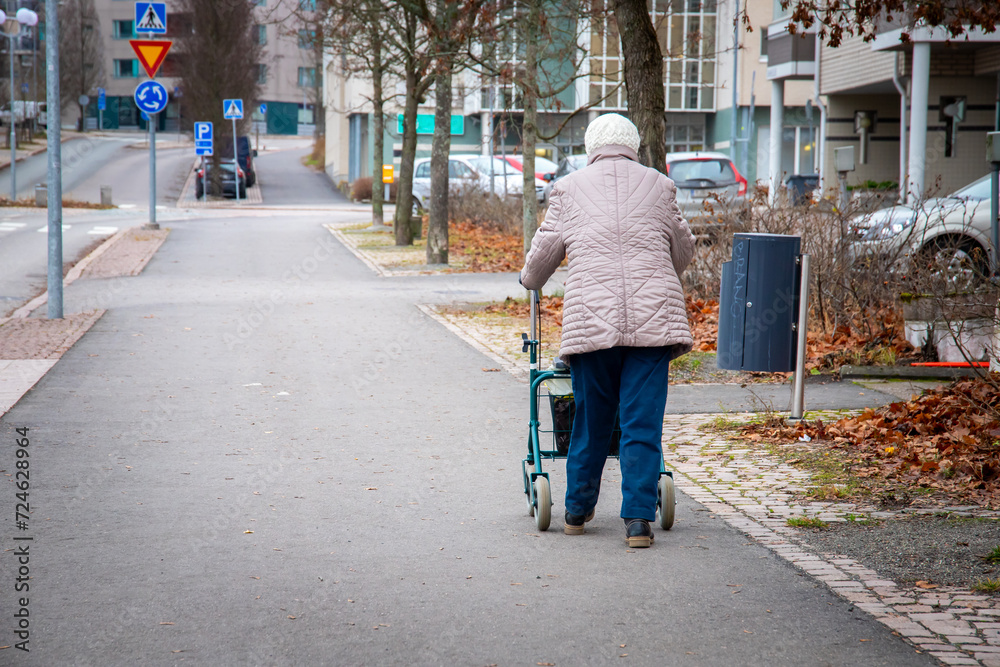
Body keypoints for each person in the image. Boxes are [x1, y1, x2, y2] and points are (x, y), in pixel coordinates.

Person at [519, 113, 695, 548]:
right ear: (633, 144)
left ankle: (577, 511)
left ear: (591, 146)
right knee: (641, 422)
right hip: (654, 323)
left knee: (591, 420)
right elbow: (683, 251)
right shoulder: (660, 184)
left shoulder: (568, 188)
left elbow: (541, 261)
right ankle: (637, 521)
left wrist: (528, 280)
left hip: (591, 324)